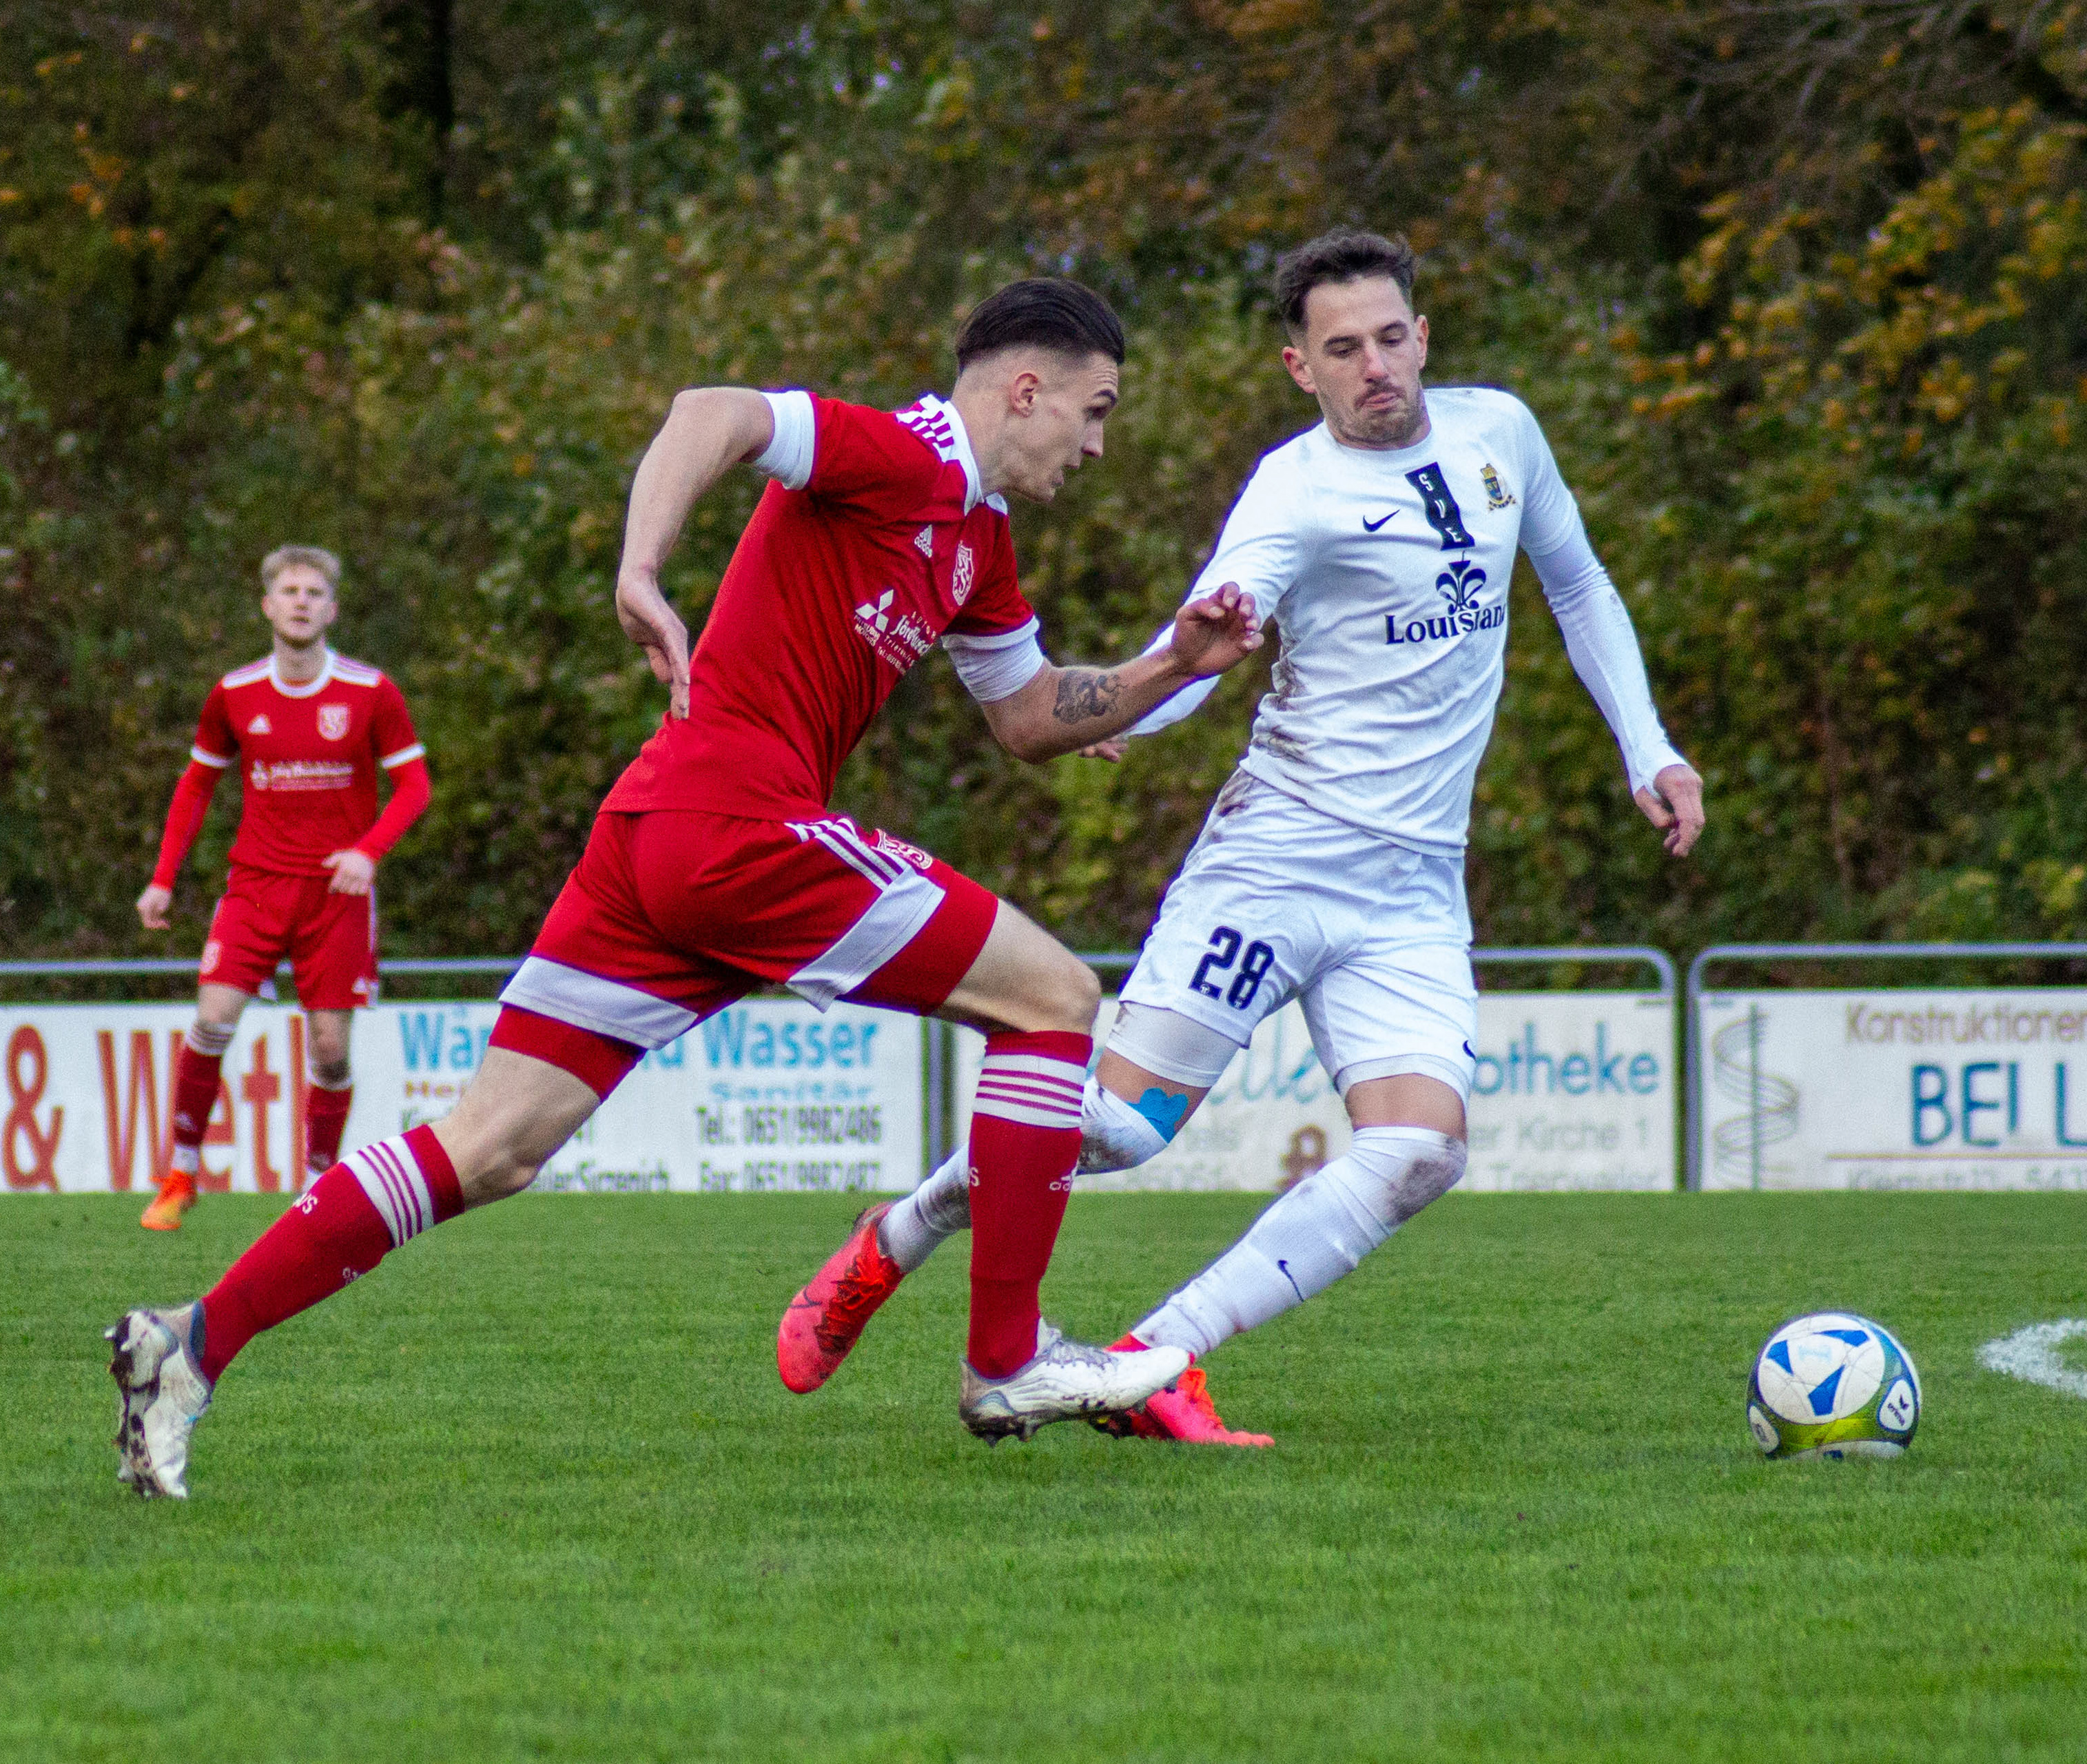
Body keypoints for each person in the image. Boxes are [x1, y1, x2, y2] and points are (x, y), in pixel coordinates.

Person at [107, 278, 1267, 1497]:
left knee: (491, 1148)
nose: (1097, 445)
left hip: (662, 834)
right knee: (1055, 999)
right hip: (738, 825)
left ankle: (190, 1345)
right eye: (1096, 410)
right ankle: (1007, 1360)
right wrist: (640, 570)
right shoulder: (901, 452)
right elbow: (711, 410)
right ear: (1026, 390)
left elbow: (1030, 716)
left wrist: (1171, 667)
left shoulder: (978, 543)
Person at [775, 228, 1707, 1445]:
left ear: (1424, 336)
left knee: (1421, 1151)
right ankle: (896, 1236)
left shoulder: (1504, 435)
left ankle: (1153, 1360)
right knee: (1119, 1130)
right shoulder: (1294, 490)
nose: (1376, 366)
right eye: (1343, 349)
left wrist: (1650, 749)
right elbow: (1212, 635)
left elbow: (1577, 585)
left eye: (1392, 338)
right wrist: (1131, 706)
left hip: (1415, 885)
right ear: (1298, 368)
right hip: (1279, 858)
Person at [134, 544, 431, 1230]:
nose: (301, 602)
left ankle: (317, 1190)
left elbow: (415, 786)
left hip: (337, 897)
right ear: (268, 605)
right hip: (257, 886)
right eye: (290, 591)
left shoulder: (369, 692)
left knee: (330, 1050)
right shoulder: (235, 693)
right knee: (212, 1020)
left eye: (314, 592)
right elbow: (197, 784)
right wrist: (162, 879)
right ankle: (180, 1174)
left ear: (332, 609)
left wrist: (368, 852)